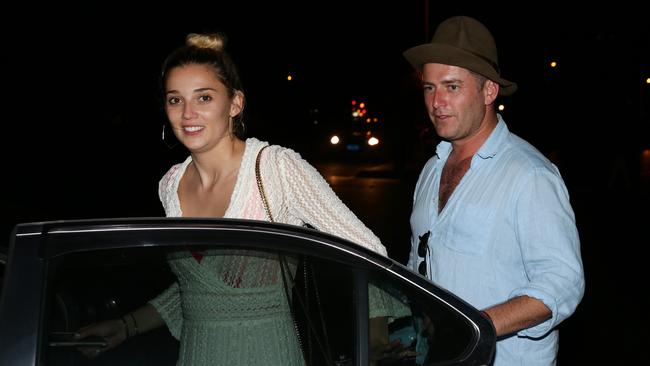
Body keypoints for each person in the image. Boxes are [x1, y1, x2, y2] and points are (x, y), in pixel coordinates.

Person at [75, 32, 408, 365]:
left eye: (204, 98)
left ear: (235, 103)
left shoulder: (275, 168)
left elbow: (368, 253)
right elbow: (200, 289)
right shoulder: (170, 185)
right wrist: (126, 326)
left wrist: (375, 340)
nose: (187, 113)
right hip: (195, 356)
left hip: (267, 354)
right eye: (175, 99)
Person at [403, 16, 585, 365]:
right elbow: (421, 260)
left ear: (489, 91)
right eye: (429, 87)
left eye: (452, 87)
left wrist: (475, 327)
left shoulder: (529, 175)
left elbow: (562, 282)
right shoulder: (430, 170)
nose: (437, 102)